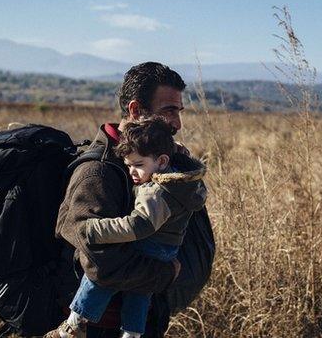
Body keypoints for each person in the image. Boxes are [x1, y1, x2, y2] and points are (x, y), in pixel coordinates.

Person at [54, 62, 215, 338]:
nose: (177, 123)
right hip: (99, 329)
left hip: (142, 320)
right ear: (135, 111)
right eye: (169, 111)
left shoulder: (162, 163)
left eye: (179, 112)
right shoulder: (98, 172)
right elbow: (101, 263)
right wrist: (166, 274)